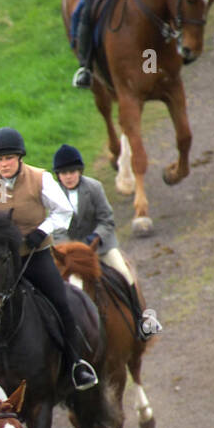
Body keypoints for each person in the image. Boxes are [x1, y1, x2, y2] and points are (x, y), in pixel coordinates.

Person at [0, 127, 99, 391]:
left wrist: (42, 231)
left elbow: (64, 210)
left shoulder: (41, 178)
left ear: (20, 158)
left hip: (33, 255)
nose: (4, 164)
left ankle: (76, 364)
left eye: (9, 158)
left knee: (60, 300)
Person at [51, 144, 162, 341]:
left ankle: (141, 319)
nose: (68, 176)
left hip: (101, 246)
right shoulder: (54, 196)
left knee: (125, 273)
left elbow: (106, 219)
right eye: (63, 173)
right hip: (71, 254)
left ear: (79, 171)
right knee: (56, 284)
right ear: (58, 175)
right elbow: (57, 229)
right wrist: (74, 249)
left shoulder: (94, 188)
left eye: (72, 171)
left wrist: (95, 237)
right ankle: (62, 330)